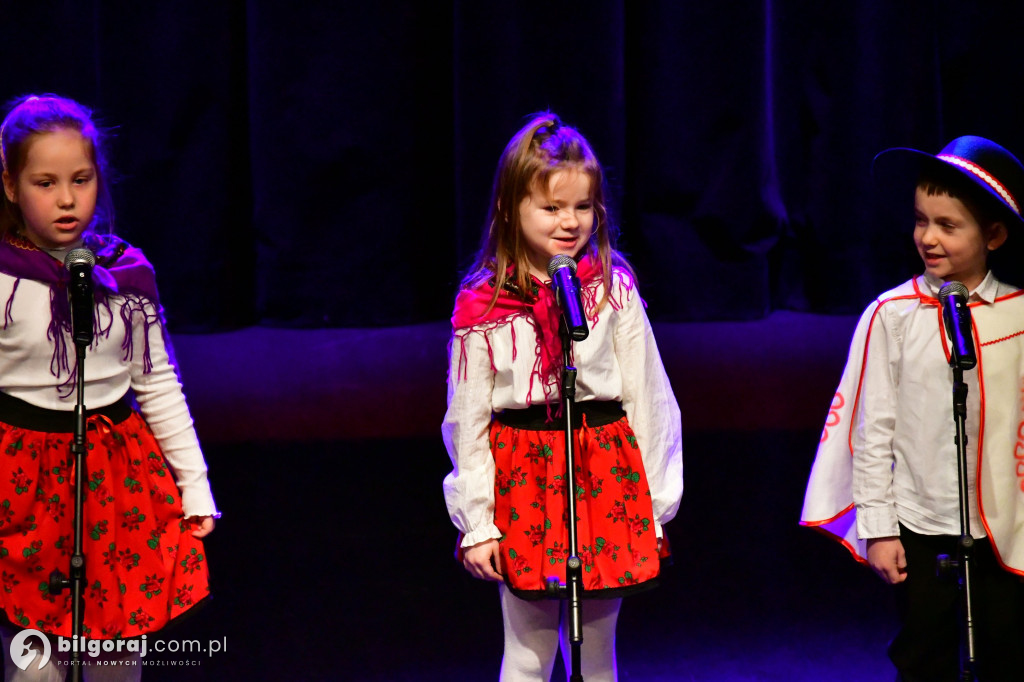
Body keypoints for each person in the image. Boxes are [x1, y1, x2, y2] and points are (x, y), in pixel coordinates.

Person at [442, 112, 683, 681]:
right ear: (510, 208)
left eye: (582, 207)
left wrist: (653, 506)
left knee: (597, 655)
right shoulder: (482, 306)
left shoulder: (611, 286)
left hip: (604, 472)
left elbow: (650, 400)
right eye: (551, 208)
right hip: (525, 479)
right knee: (528, 655)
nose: (569, 222)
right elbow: (467, 422)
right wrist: (477, 522)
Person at [0, 94, 217, 680]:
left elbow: (158, 381)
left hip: (117, 478)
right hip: (26, 481)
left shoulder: (124, 274)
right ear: (11, 185)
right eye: (45, 182)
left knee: (116, 650)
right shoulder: (2, 279)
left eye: (81, 179)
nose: (67, 198)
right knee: (35, 661)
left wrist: (194, 487)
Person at [801, 136, 1024, 681]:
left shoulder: (1018, 316)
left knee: (1008, 653)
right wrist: (879, 527)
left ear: (993, 234)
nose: (928, 237)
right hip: (924, 527)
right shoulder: (892, 315)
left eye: (949, 225)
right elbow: (871, 429)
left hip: (1009, 532)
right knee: (923, 655)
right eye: (922, 221)